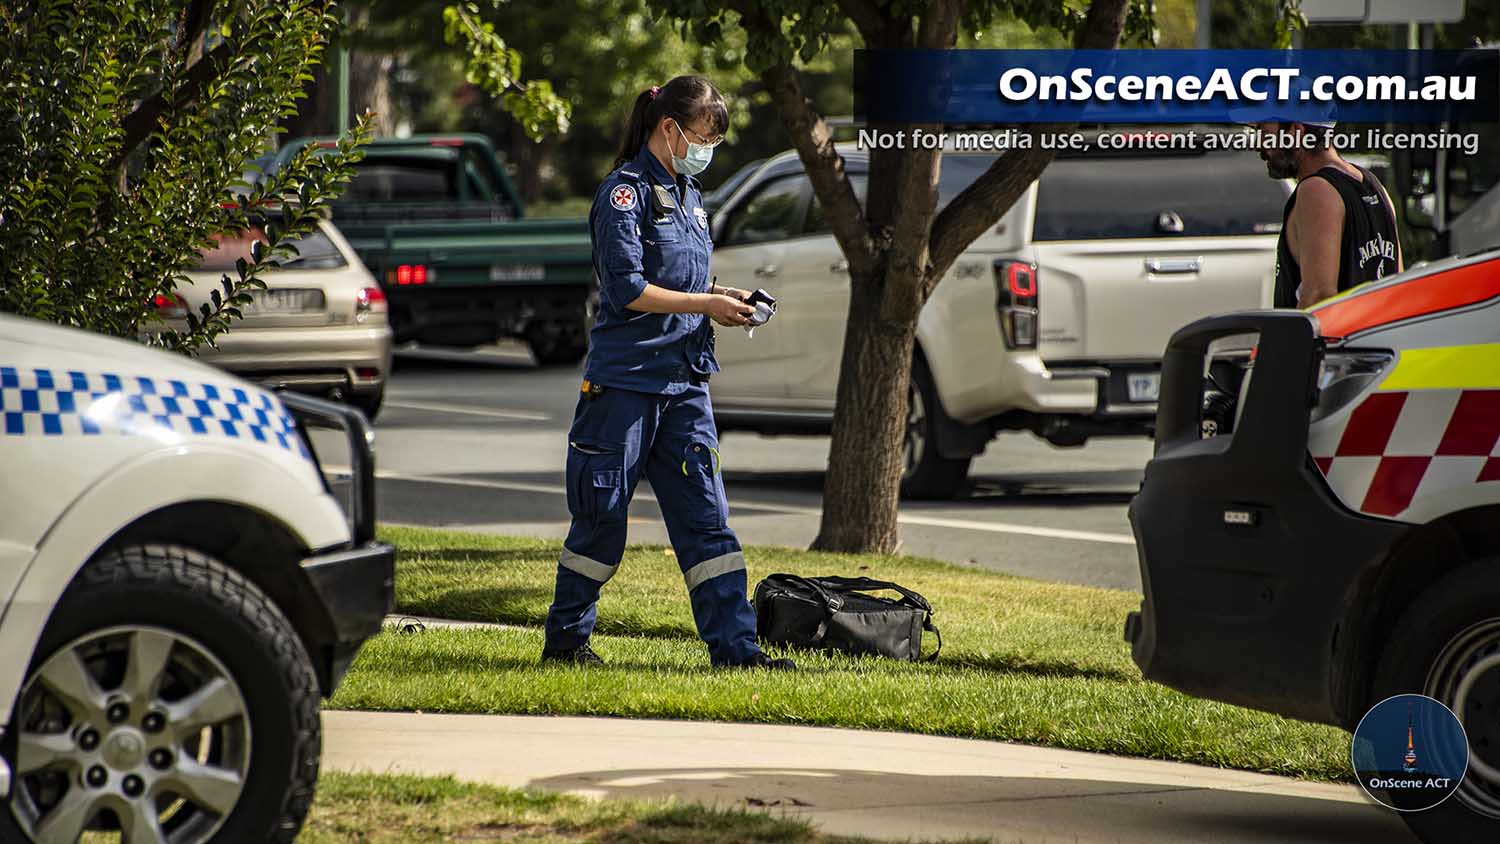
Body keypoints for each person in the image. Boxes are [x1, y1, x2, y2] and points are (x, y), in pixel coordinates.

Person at [541, 75, 795, 670]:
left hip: (684, 384)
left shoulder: (689, 195)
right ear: (670, 128)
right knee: (601, 521)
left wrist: (721, 295)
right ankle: (567, 642)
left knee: (708, 522)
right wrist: (704, 303)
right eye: (704, 135)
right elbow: (628, 289)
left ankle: (737, 653)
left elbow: (680, 280)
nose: (708, 148)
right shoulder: (622, 194)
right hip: (625, 385)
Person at [1255, 120, 1402, 309]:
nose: (1258, 145)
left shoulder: (1317, 189)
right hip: (1375, 334)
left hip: (1335, 338)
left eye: (1265, 133)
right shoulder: (1375, 186)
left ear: (1297, 131)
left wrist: (1282, 339)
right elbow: (1398, 283)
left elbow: (1319, 296)